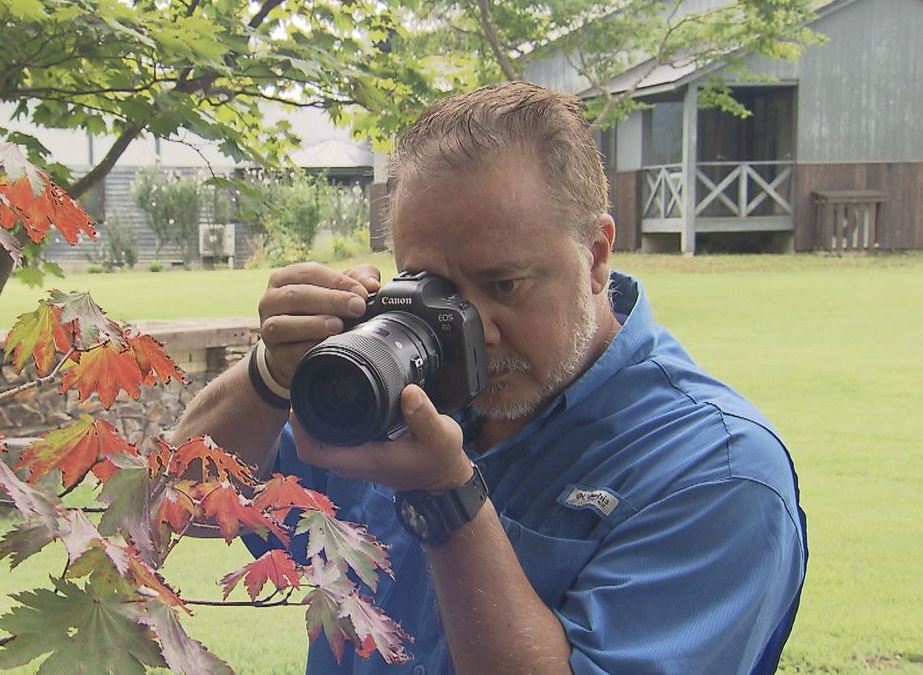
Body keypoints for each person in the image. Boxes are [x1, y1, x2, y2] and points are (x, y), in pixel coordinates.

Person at [174, 81, 807, 674]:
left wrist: (444, 498)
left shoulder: (715, 470)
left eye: (503, 284)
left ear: (596, 255)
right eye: (437, 289)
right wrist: (270, 377)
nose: (474, 328)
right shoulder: (390, 385)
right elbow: (181, 503)